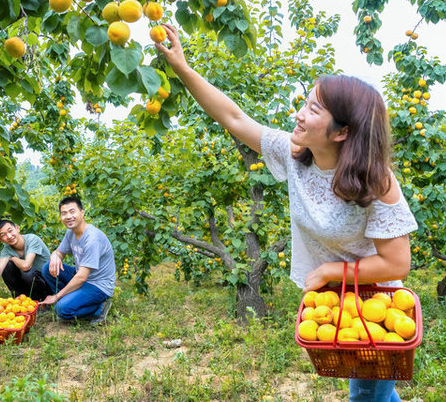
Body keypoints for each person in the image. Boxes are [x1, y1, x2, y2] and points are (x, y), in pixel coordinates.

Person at [156, 24, 417, 402]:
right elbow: (233, 118)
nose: (299, 114)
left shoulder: (375, 181)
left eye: (313, 109)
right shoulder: (296, 157)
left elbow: (397, 263)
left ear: (342, 132)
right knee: (367, 390)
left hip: (377, 306)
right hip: (337, 301)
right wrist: (182, 68)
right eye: (306, 102)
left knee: (366, 392)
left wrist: (330, 271)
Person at [40, 196, 116, 323]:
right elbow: (59, 252)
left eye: (72, 211)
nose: (68, 216)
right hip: (82, 277)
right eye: (64, 213)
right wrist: (55, 256)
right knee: (47, 268)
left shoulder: (92, 239)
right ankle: (70, 299)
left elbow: (82, 277)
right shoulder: (71, 232)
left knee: (61, 309)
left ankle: (99, 307)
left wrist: (56, 297)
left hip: (98, 285)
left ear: (82, 213)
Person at [0, 220, 52, 302]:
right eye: (3, 235)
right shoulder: (7, 249)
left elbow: (26, 266)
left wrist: (13, 258)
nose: (9, 236)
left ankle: (42, 301)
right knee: (6, 267)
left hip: (47, 282)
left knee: (27, 273)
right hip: (31, 283)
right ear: (0, 239)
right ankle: (20, 300)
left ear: (17, 228)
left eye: (10, 231)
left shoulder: (32, 239)